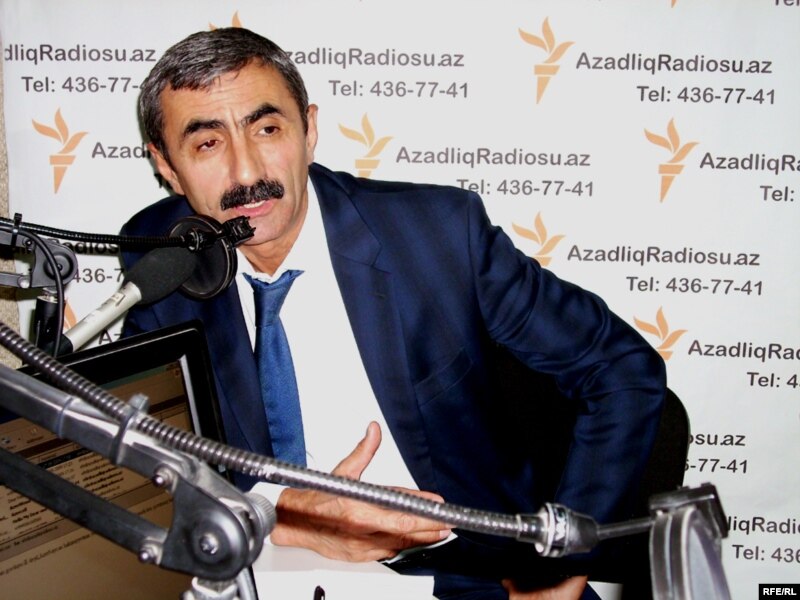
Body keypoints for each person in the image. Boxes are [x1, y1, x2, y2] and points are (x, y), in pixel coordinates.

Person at [121, 27, 666, 600]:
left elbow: (620, 368)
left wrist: (564, 558)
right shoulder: (162, 259)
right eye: (208, 144)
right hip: (269, 565)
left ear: (309, 130)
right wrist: (287, 516)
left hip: (468, 576)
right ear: (167, 166)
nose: (247, 173)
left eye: (267, 129)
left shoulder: (437, 235)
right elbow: (154, 457)